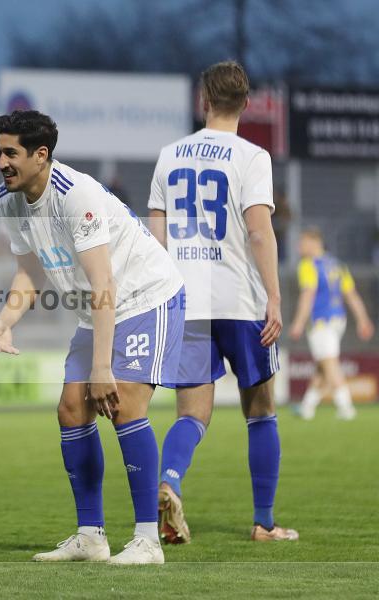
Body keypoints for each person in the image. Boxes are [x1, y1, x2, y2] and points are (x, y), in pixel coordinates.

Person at [0, 110, 185, 565]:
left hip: (145, 298)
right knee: (72, 409)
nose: (2, 162)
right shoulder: (9, 199)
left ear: (41, 155)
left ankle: (148, 542)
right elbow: (29, 271)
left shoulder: (78, 196)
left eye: (10, 153)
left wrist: (101, 368)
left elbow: (103, 283)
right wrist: (6, 319)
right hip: (102, 311)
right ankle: (91, 538)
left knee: (124, 403)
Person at [147, 60, 295, 545]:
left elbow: (157, 234)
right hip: (240, 299)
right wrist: (274, 296)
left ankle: (168, 482)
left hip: (185, 300)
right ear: (246, 103)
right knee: (261, 410)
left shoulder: (170, 155)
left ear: (202, 100)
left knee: (191, 414)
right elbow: (258, 229)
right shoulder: (252, 157)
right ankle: (264, 523)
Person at [289, 228, 374, 420]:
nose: (299, 247)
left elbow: (308, 294)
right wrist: (363, 319)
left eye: (302, 242)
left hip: (321, 321)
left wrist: (298, 323)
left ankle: (346, 407)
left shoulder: (308, 265)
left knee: (329, 364)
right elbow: (351, 295)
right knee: (322, 366)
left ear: (314, 242)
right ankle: (307, 407)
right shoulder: (337, 265)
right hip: (339, 320)